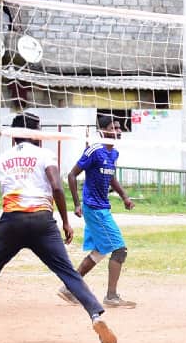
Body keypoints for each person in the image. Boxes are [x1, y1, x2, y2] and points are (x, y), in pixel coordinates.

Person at [0, 112, 117, 343]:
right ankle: (96, 316)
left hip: (12, 222)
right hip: (42, 222)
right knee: (68, 273)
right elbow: (57, 188)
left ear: (14, 137)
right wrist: (66, 222)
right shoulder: (45, 155)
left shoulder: (1, 159)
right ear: (36, 136)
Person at [57, 114, 136, 309]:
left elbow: (111, 177)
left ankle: (68, 288)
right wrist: (76, 204)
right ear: (102, 131)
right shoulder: (94, 150)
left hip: (102, 207)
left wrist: (124, 196)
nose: (117, 131)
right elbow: (72, 175)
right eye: (113, 127)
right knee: (119, 249)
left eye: (119, 128)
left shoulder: (113, 154)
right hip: (94, 208)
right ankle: (111, 296)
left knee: (100, 251)